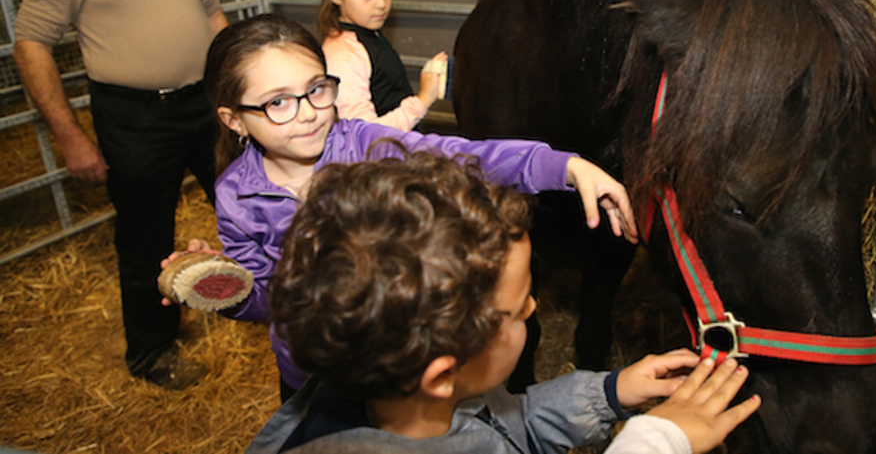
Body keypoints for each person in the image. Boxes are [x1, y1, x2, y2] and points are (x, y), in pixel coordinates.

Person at [165, 13, 637, 403]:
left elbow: (466, 158)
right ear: (234, 120)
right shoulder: (234, 194)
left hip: (397, 364)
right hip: (310, 376)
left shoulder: (366, 145)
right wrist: (224, 286)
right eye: (278, 103)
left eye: (316, 89)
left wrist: (565, 166)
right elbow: (265, 301)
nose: (308, 111)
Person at [244, 153, 761, 454]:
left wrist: (611, 392)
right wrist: (656, 439)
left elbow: (505, 423)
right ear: (443, 374)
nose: (535, 308)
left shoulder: (403, 395)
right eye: (517, 310)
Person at [13, 0, 228, 390]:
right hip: (134, 117)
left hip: (205, 104)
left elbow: (211, 12)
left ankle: (263, 305)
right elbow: (32, 41)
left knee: (246, 204)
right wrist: (69, 134)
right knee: (145, 237)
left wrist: (239, 94)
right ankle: (154, 350)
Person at [319, 0, 447, 130]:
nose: (381, 4)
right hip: (381, 156)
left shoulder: (367, 35)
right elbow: (364, 135)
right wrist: (423, 100)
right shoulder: (343, 57)